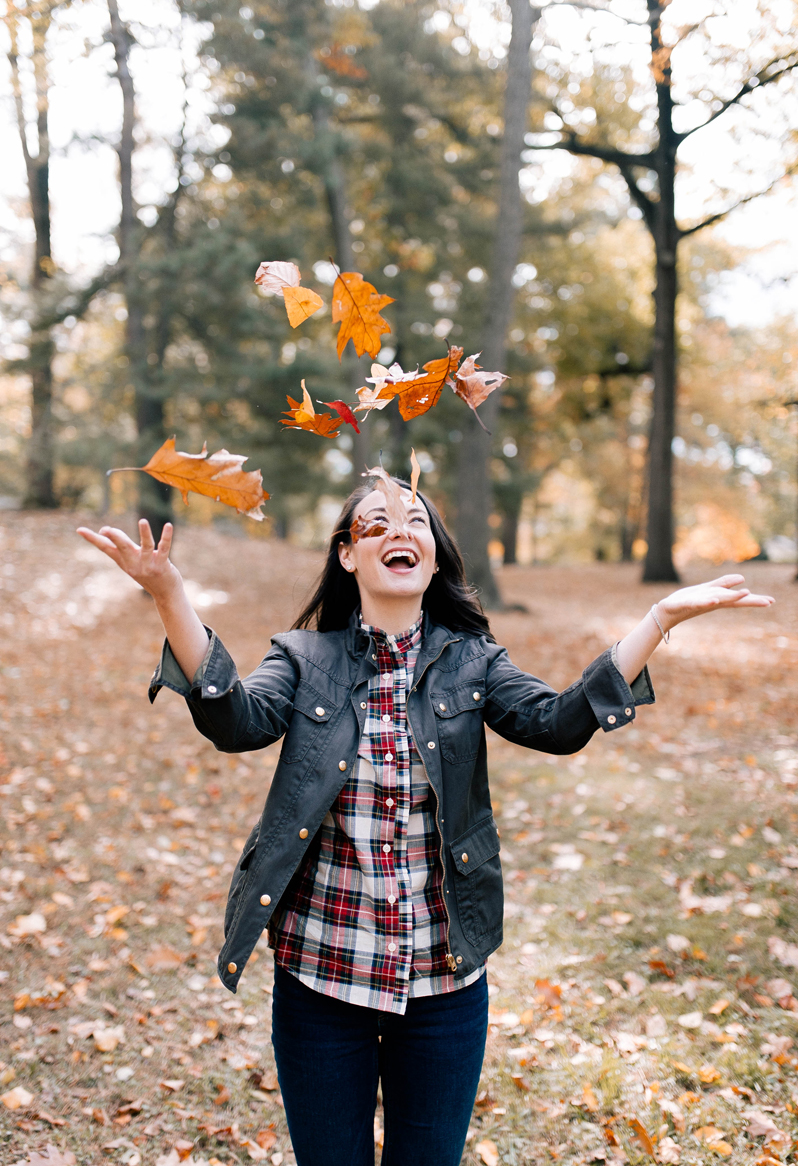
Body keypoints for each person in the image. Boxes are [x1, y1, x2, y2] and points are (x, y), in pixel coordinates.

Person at [77, 477, 774, 1166]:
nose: (398, 531)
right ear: (347, 555)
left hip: (443, 987)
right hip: (322, 981)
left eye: (414, 520)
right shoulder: (302, 658)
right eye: (374, 524)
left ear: (434, 555)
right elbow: (237, 721)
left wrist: (657, 621)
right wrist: (169, 594)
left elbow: (557, 724)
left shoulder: (474, 662)